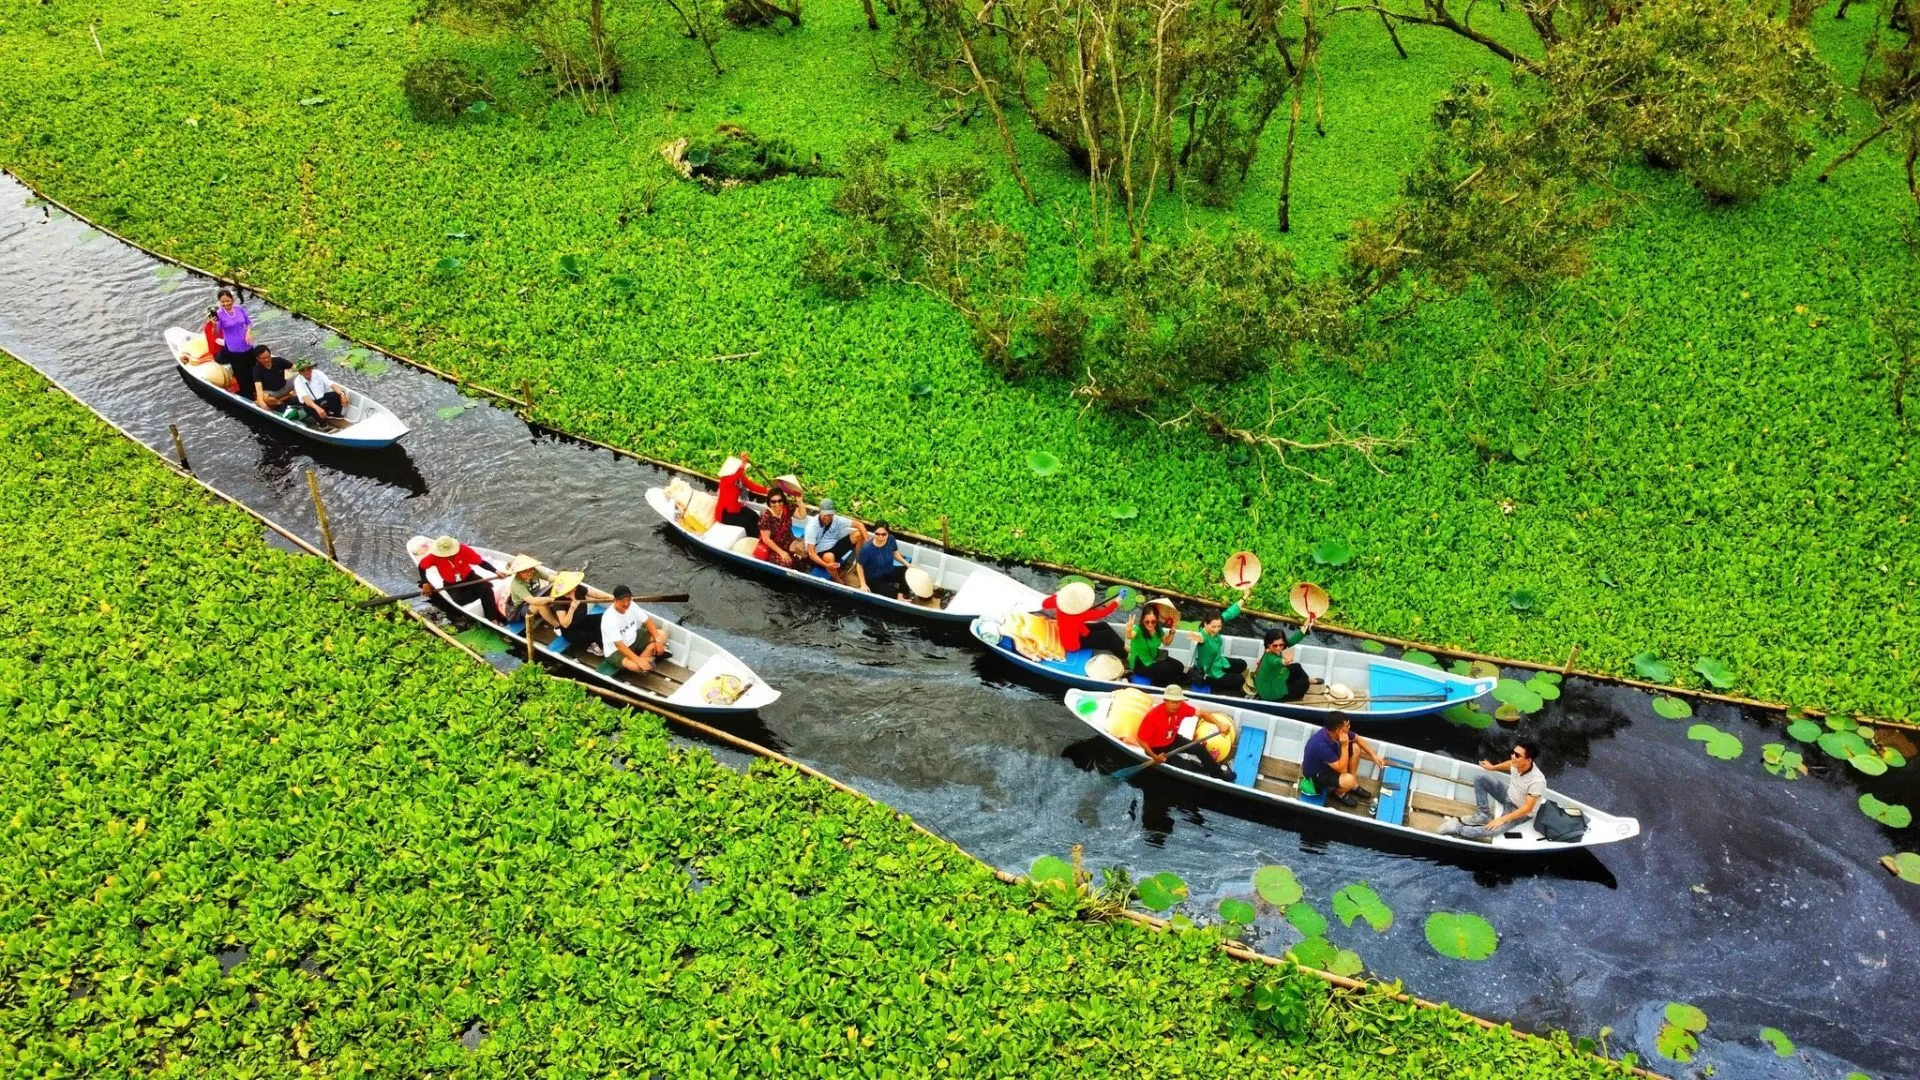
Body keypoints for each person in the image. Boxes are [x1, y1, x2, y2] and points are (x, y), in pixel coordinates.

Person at [1442, 741, 1548, 840]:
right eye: (1513, 752)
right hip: (1508, 794)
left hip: (1518, 810)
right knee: (1480, 778)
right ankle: (1483, 814)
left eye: (1517, 755)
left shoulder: (1537, 782)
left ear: (1528, 760)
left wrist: (1502, 819)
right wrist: (1493, 767)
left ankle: (1457, 828)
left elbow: (1528, 808)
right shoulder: (1517, 763)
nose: (1512, 756)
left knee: (1494, 830)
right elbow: (1510, 763)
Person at [1128, 686, 1234, 780]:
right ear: (1165, 700)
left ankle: (1218, 774)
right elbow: (1141, 739)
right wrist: (1154, 756)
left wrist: (1219, 724)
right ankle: (1199, 768)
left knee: (1199, 748)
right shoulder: (1153, 716)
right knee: (1187, 767)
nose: (1176, 705)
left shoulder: (1181, 707)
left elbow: (1202, 714)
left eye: (1178, 701)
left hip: (1173, 739)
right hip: (1157, 749)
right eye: (1173, 702)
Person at [1300, 714, 1386, 808]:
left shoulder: (1336, 732)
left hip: (1329, 764)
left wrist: (1374, 756)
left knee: (1356, 747)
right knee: (1348, 779)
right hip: (1317, 775)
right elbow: (1342, 770)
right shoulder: (1322, 745)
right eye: (1348, 726)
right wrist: (1344, 745)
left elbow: (1357, 739)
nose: (1350, 727)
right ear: (1339, 731)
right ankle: (1338, 793)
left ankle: (1353, 785)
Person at [416, 535, 504, 620]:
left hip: (469, 577)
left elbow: (480, 562)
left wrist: (496, 571)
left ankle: (492, 618)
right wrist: (425, 583)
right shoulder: (434, 556)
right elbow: (421, 567)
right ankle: (477, 595)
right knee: (459, 601)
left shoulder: (463, 549)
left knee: (486, 589)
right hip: (450, 583)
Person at [532, 571, 614, 649]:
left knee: (604, 617)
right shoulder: (558, 601)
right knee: (595, 634)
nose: (572, 592)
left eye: (573, 589)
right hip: (571, 631)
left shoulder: (578, 588)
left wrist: (610, 597)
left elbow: (594, 594)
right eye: (569, 592)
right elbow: (565, 624)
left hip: (582, 620)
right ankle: (598, 648)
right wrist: (572, 608)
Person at [1039, 581, 1125, 655]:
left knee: (1103, 625)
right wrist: (1119, 599)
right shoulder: (1080, 614)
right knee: (1108, 636)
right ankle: (1125, 656)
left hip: (1074, 632)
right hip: (1073, 643)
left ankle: (1124, 646)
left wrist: (1057, 594)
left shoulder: (1058, 602)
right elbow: (1105, 612)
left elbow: (1045, 604)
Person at [601, 585, 669, 673]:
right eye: (623, 601)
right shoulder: (609, 618)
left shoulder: (632, 605)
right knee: (637, 667)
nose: (626, 604)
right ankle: (645, 659)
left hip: (634, 638)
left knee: (662, 635)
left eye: (628, 600)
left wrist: (658, 641)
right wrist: (637, 660)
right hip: (616, 650)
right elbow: (619, 645)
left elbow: (648, 621)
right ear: (615, 600)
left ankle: (648, 653)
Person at [1249, 625, 1322, 702]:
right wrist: (1285, 661)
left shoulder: (1275, 648)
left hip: (1274, 678)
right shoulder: (1270, 658)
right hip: (1271, 693)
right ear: (1268, 644)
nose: (1278, 648)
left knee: (1297, 666)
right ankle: (1306, 682)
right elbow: (1276, 661)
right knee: (1304, 684)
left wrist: (1304, 629)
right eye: (1275, 645)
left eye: (1281, 645)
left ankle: (1307, 679)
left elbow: (1291, 641)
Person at [213, 290, 261, 398]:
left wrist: (248, 333)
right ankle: (248, 395)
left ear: (232, 299)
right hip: (234, 348)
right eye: (223, 302)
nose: (226, 304)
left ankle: (258, 389)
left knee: (253, 368)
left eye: (228, 300)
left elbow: (248, 323)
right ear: (220, 302)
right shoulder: (219, 315)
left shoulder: (239, 309)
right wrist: (213, 325)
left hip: (247, 344)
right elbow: (216, 333)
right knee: (241, 373)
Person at [1187, 611, 1248, 695]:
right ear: (1205, 624)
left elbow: (1229, 613)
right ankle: (1211, 682)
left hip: (1219, 661)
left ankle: (1225, 675)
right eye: (1213, 627)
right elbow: (1200, 639)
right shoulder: (1202, 636)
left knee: (1242, 664)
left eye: (1219, 626)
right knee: (1241, 680)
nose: (1216, 630)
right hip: (1210, 672)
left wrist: (1244, 598)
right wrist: (1197, 637)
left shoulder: (1215, 626)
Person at [1124, 604, 1185, 685]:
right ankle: (1161, 684)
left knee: (1179, 666)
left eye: (1153, 621)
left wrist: (1172, 630)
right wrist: (1128, 629)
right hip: (1140, 663)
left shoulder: (1158, 628)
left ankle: (1170, 680)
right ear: (1142, 620)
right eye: (1147, 621)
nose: (1150, 624)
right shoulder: (1138, 629)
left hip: (1154, 656)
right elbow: (1130, 636)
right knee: (1167, 669)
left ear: (1157, 620)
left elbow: (1167, 642)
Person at [852, 519, 912, 599]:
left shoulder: (891, 539)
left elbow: (895, 553)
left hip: (888, 571)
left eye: (884, 534)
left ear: (888, 533)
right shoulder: (867, 549)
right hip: (874, 579)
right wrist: (863, 584)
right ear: (874, 533)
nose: (880, 537)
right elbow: (859, 565)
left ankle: (903, 594)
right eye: (878, 534)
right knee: (892, 592)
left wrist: (907, 564)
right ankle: (898, 596)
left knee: (907, 572)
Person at [803, 499, 857, 583]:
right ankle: (838, 580)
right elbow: (811, 554)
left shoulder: (835, 519)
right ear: (820, 512)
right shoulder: (812, 527)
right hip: (815, 555)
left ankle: (857, 565)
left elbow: (859, 525)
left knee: (857, 534)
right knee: (829, 556)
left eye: (830, 515)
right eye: (825, 515)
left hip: (829, 545)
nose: (827, 518)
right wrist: (827, 565)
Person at [754, 490, 808, 570]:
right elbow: (766, 540)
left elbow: (802, 516)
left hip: (790, 544)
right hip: (774, 549)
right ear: (769, 502)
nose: (777, 504)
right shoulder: (766, 517)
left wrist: (800, 502)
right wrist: (782, 552)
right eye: (773, 502)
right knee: (787, 563)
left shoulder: (786, 509)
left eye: (780, 501)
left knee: (806, 556)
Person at [716, 453, 771, 531]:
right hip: (725, 514)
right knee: (748, 523)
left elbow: (752, 486)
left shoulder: (739, 477)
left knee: (754, 515)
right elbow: (735, 476)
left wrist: (767, 490)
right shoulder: (725, 479)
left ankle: (765, 534)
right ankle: (756, 537)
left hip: (735, 508)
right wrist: (743, 464)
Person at [292, 358, 350, 425]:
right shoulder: (297, 381)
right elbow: (305, 398)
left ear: (311, 368)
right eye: (303, 370)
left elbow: (330, 383)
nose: (306, 372)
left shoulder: (318, 373)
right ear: (299, 372)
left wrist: (342, 394)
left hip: (323, 397)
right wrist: (317, 408)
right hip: (311, 403)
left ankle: (334, 414)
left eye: (308, 369)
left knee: (338, 394)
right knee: (308, 407)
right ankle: (322, 423)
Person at [497, 554, 546, 625]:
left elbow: (551, 577)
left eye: (530, 569)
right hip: (520, 607)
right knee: (542, 605)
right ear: (519, 573)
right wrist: (549, 599)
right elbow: (532, 600)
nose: (529, 573)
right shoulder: (517, 584)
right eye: (525, 571)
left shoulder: (535, 572)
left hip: (532, 597)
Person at [252, 346, 297, 413]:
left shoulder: (278, 360)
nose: (267, 360)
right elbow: (259, 390)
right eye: (263, 358)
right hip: (272, 393)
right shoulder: (257, 370)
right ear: (258, 359)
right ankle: (287, 398)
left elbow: (295, 367)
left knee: (299, 376)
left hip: (285, 386)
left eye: (268, 357)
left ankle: (282, 399)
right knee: (265, 398)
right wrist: (262, 403)